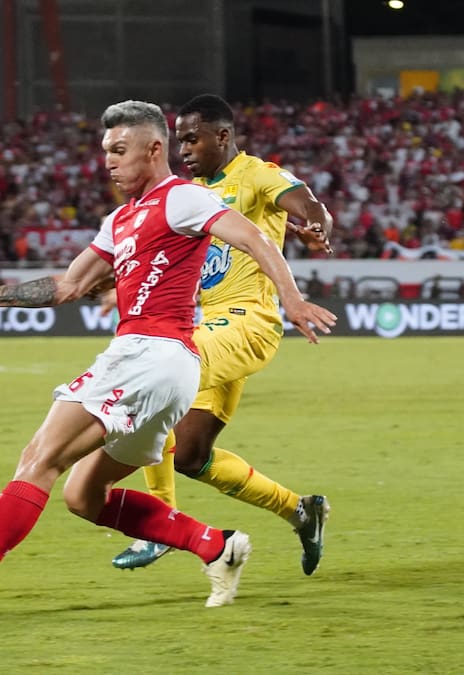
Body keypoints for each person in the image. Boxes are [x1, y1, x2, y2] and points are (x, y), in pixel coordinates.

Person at [0, 99, 338, 618]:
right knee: (83, 495)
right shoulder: (121, 219)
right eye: (106, 152)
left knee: (39, 460)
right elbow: (70, 284)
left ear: (154, 149)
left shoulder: (181, 198)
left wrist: (291, 299)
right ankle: (215, 544)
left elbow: (251, 235)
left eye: (120, 150)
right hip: (169, 368)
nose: (109, 162)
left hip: (149, 353)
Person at [107, 93, 336, 574]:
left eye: (192, 139)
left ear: (223, 136)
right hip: (209, 324)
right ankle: (301, 510)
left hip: (248, 323)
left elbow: (306, 202)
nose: (184, 149)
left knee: (152, 382)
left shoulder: (256, 174)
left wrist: (315, 223)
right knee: (189, 455)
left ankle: (159, 527)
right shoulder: (190, 192)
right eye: (180, 141)